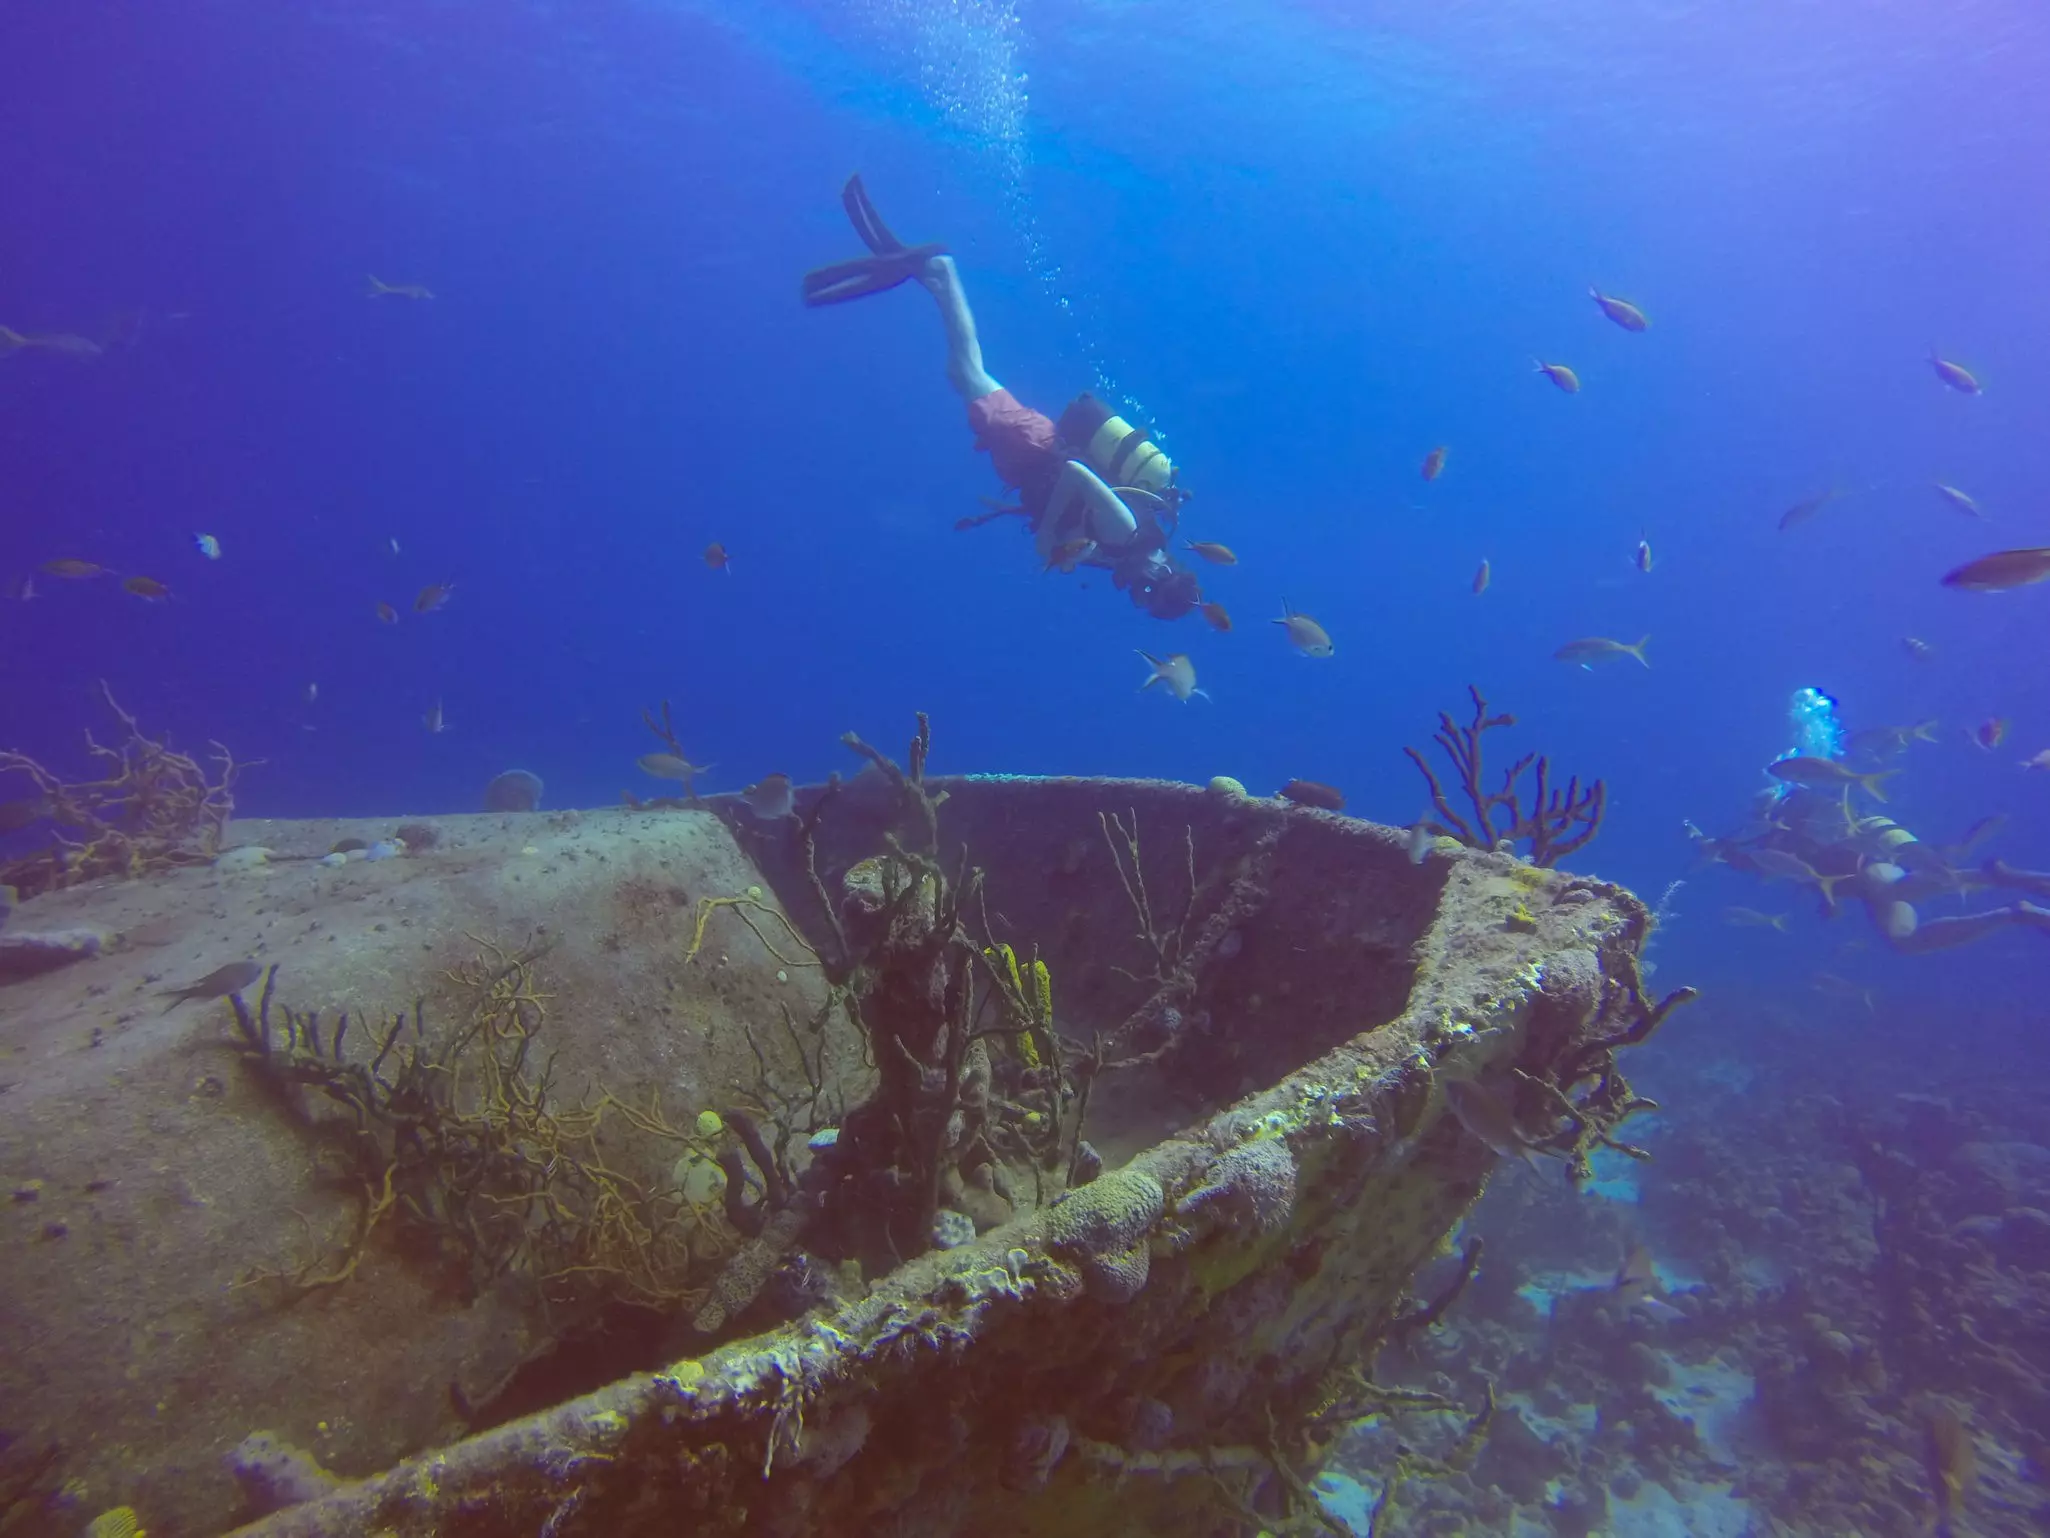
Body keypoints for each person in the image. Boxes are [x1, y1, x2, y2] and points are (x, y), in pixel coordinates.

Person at [803, 176, 1204, 622]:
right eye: (1149, 590)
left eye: (1142, 599)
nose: (1138, 591)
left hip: (1027, 456)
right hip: (1035, 447)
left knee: (964, 373)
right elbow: (1074, 473)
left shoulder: (1124, 547)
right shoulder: (1128, 531)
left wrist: (1066, 549)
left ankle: (937, 283)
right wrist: (1051, 530)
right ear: (1163, 569)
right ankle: (942, 271)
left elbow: (1079, 516)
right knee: (965, 372)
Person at [1688, 687, 2050, 953]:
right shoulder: (1766, 844)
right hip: (1860, 889)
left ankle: (2011, 881)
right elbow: (1740, 857)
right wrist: (1709, 845)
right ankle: (2011, 912)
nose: (1759, 810)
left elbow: (1861, 820)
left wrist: (1905, 845)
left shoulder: (1801, 805)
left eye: (1763, 802)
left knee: (1905, 886)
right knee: (1905, 941)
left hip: (1869, 869)